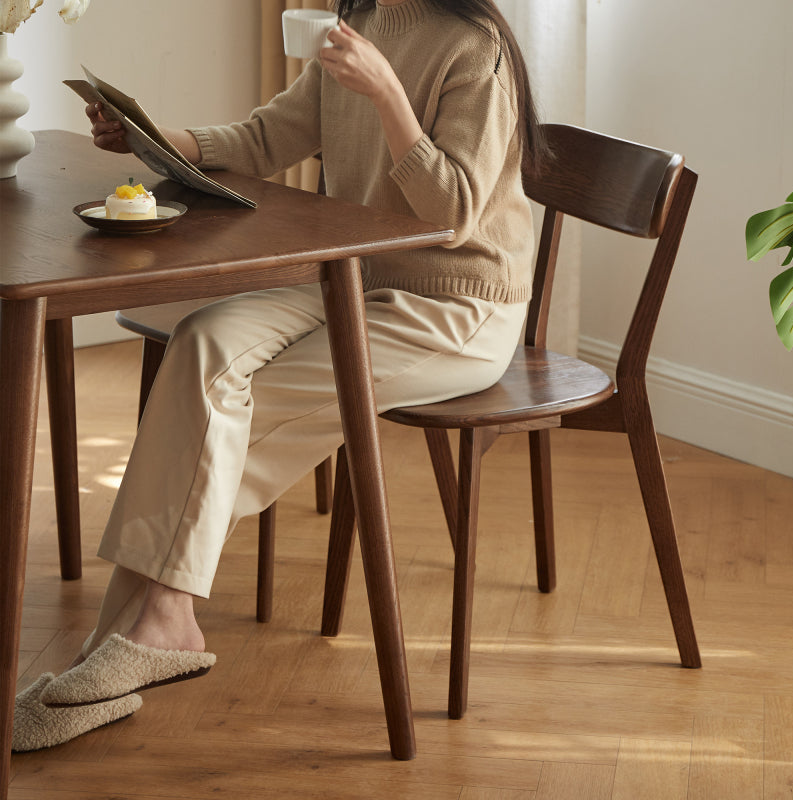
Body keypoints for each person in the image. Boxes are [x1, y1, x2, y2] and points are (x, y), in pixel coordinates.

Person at [13, 0, 546, 750]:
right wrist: (154, 139)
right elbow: (267, 138)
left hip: (455, 306)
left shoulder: (474, 46)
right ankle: (137, 639)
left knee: (234, 414)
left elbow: (453, 212)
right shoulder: (356, 21)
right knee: (204, 340)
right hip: (357, 276)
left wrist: (388, 94)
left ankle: (139, 634)